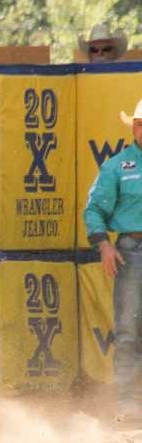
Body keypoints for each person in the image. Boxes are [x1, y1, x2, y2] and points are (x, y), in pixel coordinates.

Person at [83, 98, 142, 422]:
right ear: (134, 127)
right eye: (140, 123)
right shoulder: (118, 166)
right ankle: (129, 402)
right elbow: (94, 209)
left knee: (131, 328)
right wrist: (103, 244)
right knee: (129, 328)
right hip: (132, 250)